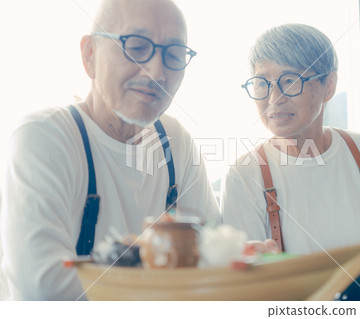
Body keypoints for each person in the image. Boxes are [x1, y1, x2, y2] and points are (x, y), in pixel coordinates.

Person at [1, 0, 219, 300]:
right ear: (90, 55)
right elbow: (43, 289)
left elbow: (216, 259)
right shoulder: (44, 136)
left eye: (174, 53)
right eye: (137, 46)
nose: (157, 71)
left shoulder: (175, 140)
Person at [221, 23, 360, 255]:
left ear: (328, 86)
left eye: (290, 80)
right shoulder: (245, 174)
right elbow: (245, 278)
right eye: (262, 83)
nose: (274, 98)